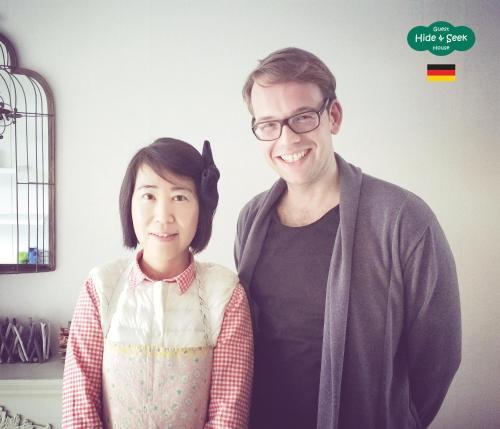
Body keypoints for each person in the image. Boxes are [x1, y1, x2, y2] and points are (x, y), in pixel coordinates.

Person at [234, 47, 461, 429]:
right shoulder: (251, 219)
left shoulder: (403, 220)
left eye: (302, 117)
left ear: (333, 116)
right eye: (269, 125)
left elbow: (439, 357)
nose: (287, 140)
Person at [62, 138, 253, 428]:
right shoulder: (100, 288)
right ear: (129, 204)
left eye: (180, 197)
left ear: (202, 208)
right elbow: (79, 407)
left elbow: (228, 413)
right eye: (149, 196)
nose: (163, 217)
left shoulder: (226, 295)